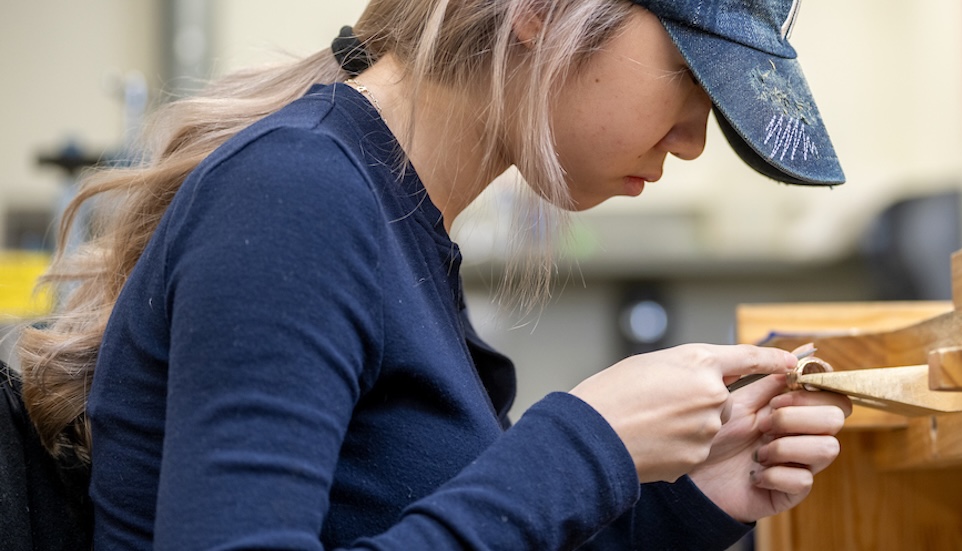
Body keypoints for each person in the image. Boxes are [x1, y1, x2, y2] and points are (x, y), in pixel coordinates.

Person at [17, 0, 852, 548]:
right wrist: (584, 445)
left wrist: (689, 496)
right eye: (687, 71)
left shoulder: (389, 215)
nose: (693, 139)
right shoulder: (298, 196)